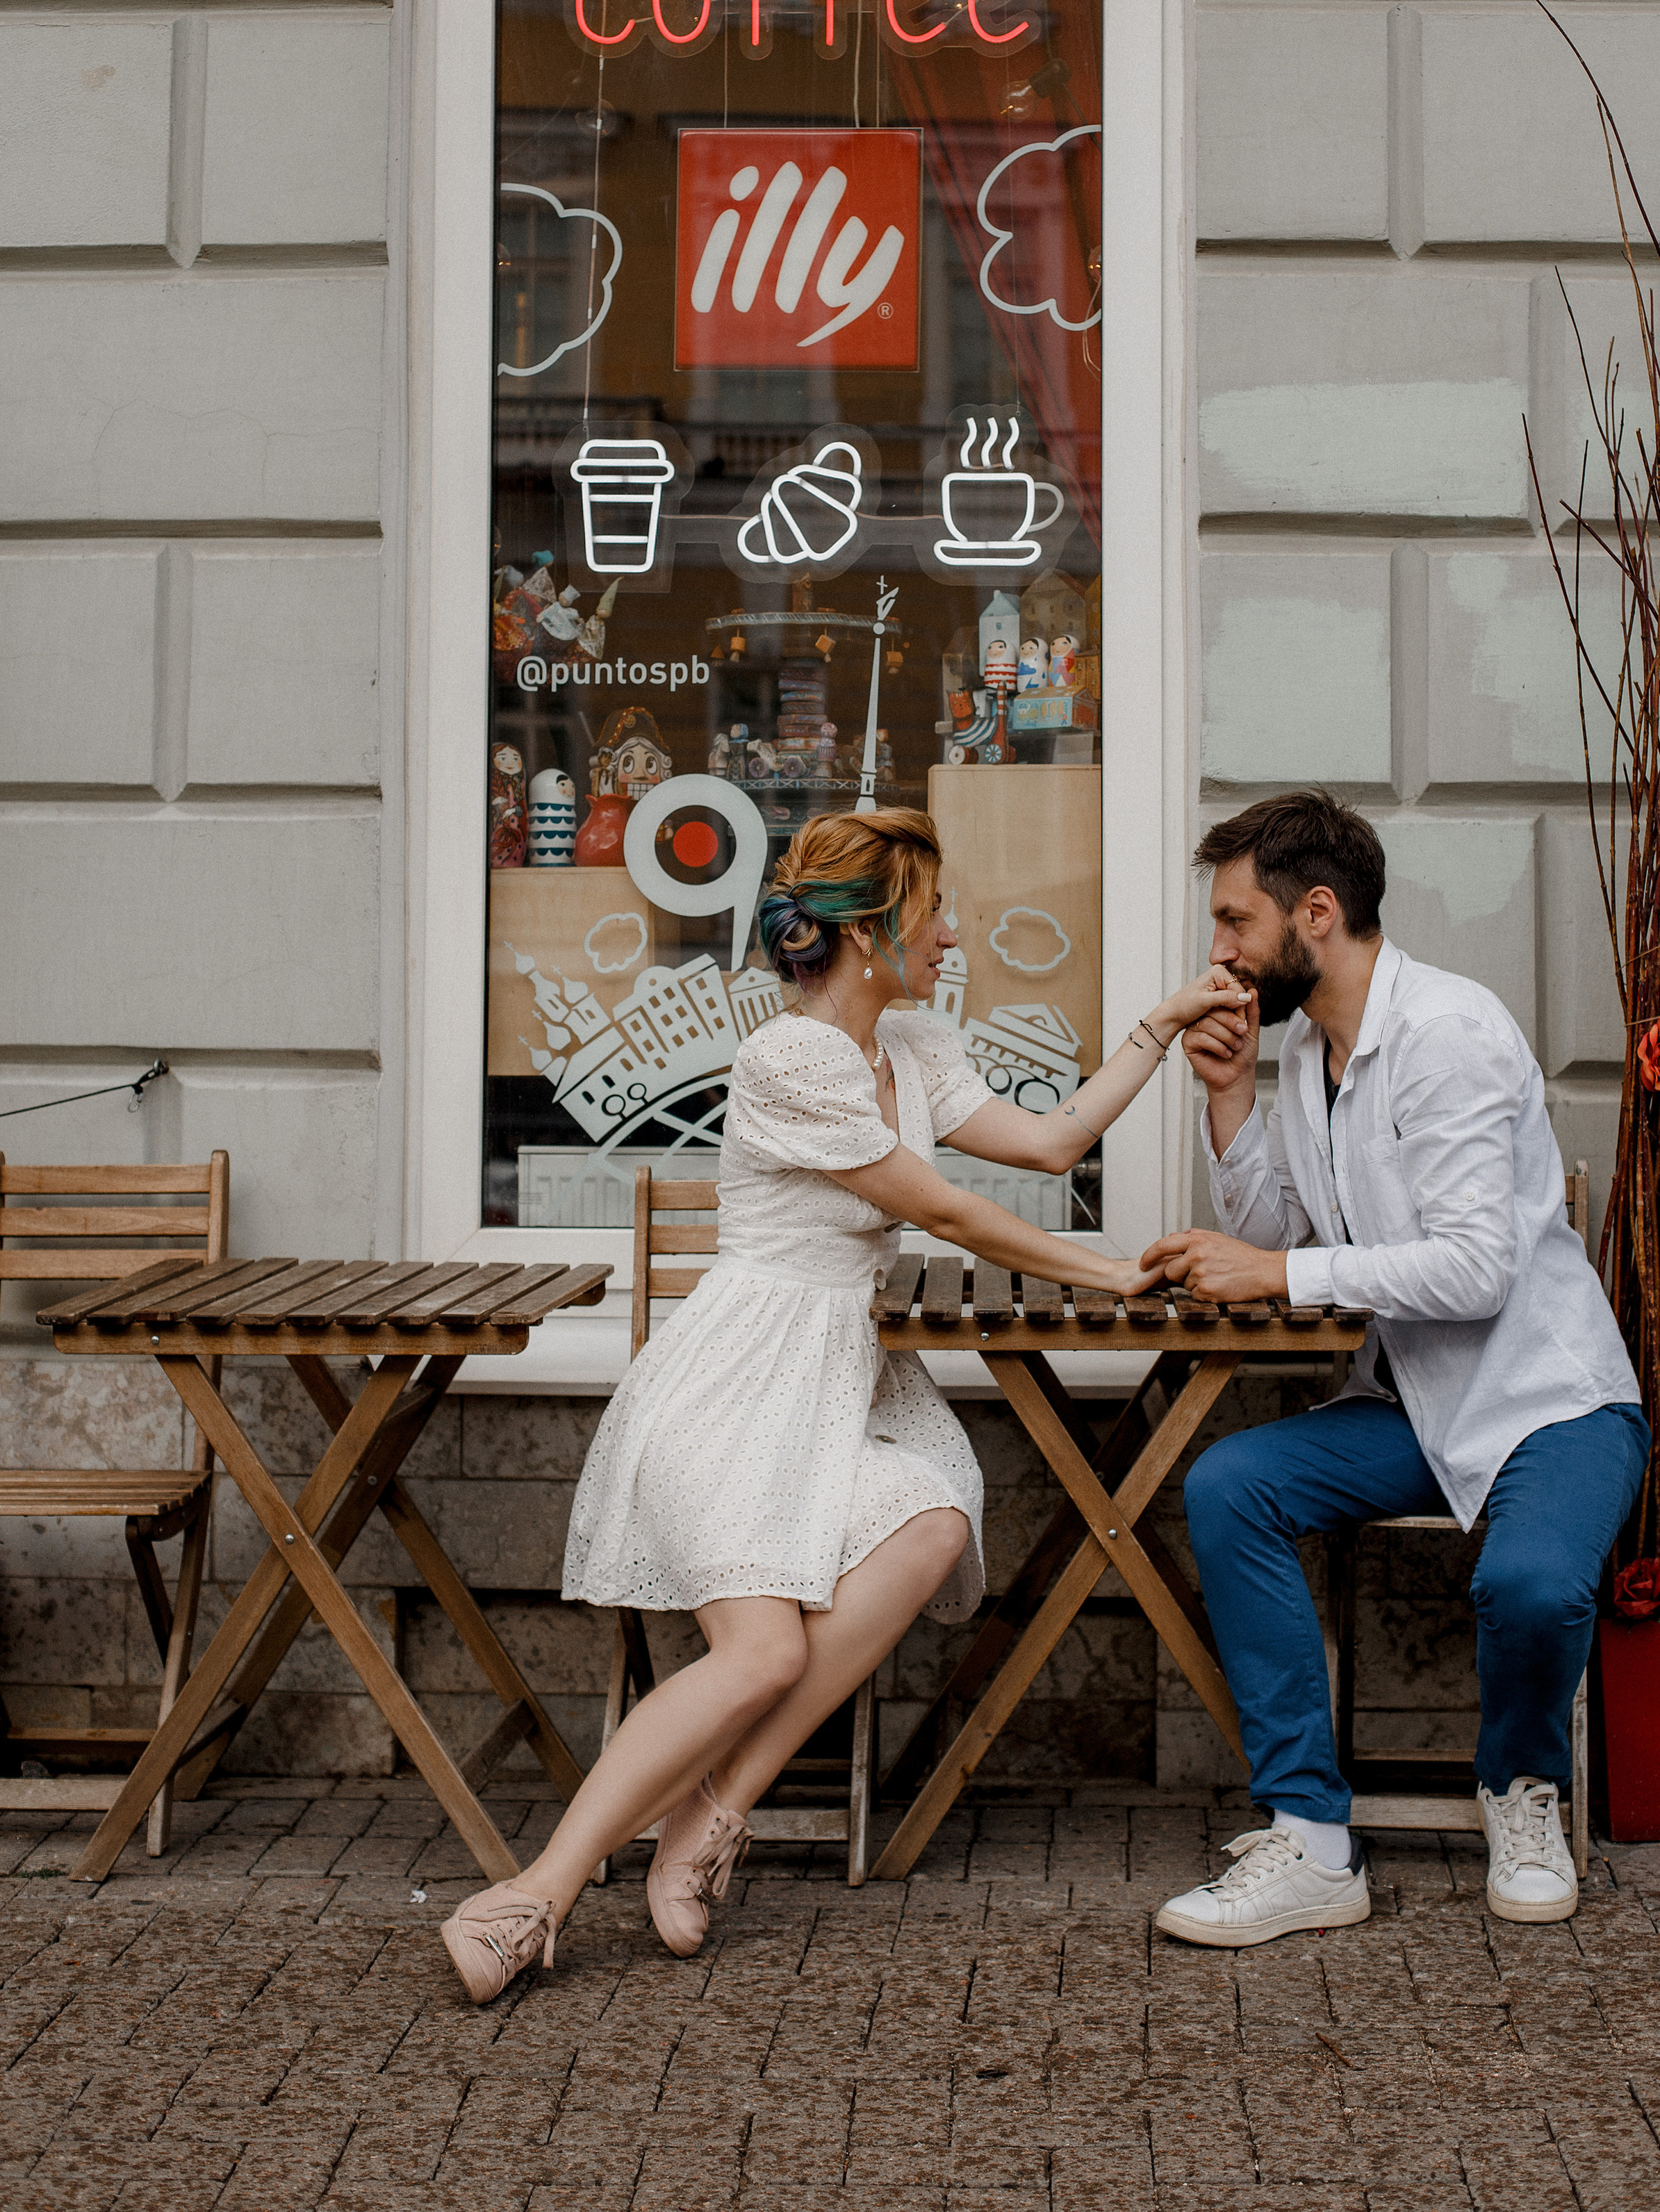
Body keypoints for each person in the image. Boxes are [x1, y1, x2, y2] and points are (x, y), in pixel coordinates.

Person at [441, 807, 1250, 2000]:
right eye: (933, 917)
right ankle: (538, 1892)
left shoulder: (910, 1047)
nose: (954, 935)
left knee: (930, 1524)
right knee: (762, 1652)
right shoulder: (791, 1060)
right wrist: (1113, 1267)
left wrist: (1159, 1025)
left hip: (829, 1391)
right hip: (731, 1393)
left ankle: (711, 1811)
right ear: (869, 937)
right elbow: (947, 1211)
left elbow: (1048, 1140)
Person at [1145, 791, 1647, 1948]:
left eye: (1234, 920)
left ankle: (1523, 1790)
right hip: (1417, 1407)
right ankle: (1316, 1842)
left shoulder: (1448, 1035)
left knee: (1527, 1587)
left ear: (1315, 912)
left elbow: (1472, 1270)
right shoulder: (1310, 1054)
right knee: (1233, 1487)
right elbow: (1292, 1231)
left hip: (1551, 1407)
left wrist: (1272, 1277)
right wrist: (1230, 1103)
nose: (1218, 952)